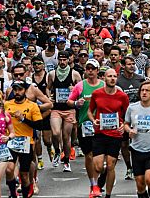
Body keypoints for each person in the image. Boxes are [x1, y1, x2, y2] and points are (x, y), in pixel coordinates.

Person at [87, 68, 129, 198]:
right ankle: (97, 183)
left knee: (111, 165)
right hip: (100, 133)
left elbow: (128, 114)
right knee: (98, 166)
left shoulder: (122, 96)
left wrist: (124, 125)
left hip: (115, 134)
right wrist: (93, 120)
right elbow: (90, 111)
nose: (112, 78)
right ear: (104, 78)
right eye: (109, 76)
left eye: (114, 76)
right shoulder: (97, 94)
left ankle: (108, 194)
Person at [66, 59, 104, 198]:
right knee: (89, 155)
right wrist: (76, 103)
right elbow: (69, 101)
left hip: (102, 125)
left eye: (92, 68)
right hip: (86, 125)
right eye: (88, 68)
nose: (90, 71)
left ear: (97, 70)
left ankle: (100, 176)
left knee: (101, 158)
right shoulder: (80, 86)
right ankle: (93, 184)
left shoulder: (103, 85)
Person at [4, 80, 42, 198]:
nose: (17, 92)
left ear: (25, 90)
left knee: (24, 175)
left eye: (20, 89)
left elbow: (39, 125)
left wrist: (23, 119)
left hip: (26, 143)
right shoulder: (7, 105)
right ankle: (13, 193)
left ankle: (26, 195)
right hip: (10, 141)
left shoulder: (32, 106)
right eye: (15, 89)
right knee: (9, 170)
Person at [47, 50, 81, 172]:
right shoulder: (52, 74)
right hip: (56, 108)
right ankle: (57, 150)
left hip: (69, 109)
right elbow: (48, 87)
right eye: (60, 60)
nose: (62, 62)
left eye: (64, 60)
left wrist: (74, 90)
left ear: (68, 60)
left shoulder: (75, 74)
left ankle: (66, 160)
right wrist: (48, 98)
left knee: (66, 137)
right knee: (56, 133)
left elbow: (80, 90)